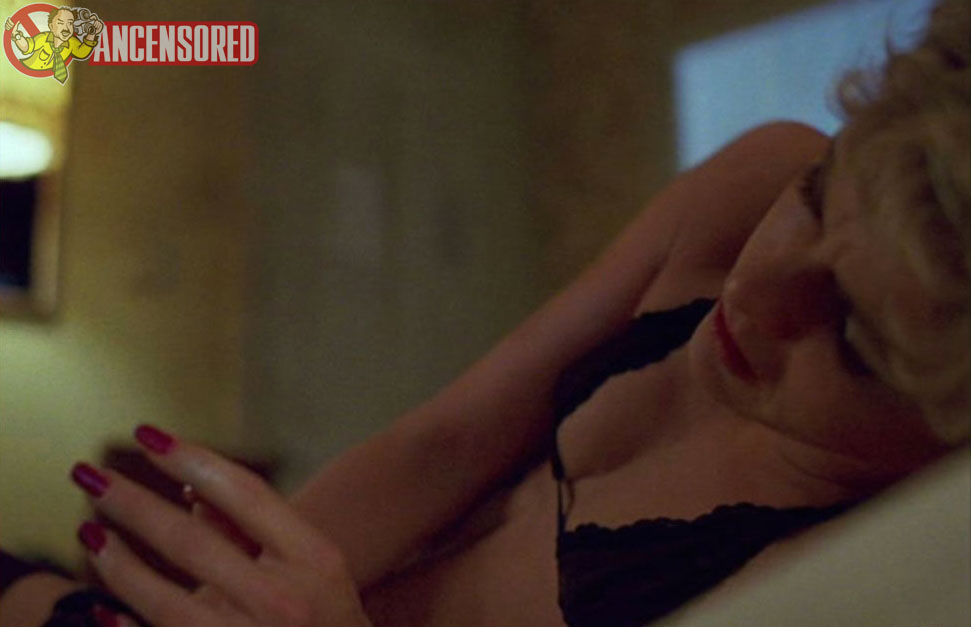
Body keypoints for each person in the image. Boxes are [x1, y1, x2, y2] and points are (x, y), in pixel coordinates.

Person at [1, 0, 968, 624]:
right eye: (818, 197)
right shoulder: (757, 176)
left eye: (851, 335)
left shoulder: (869, 569)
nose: (757, 298)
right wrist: (207, 600)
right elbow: (445, 441)